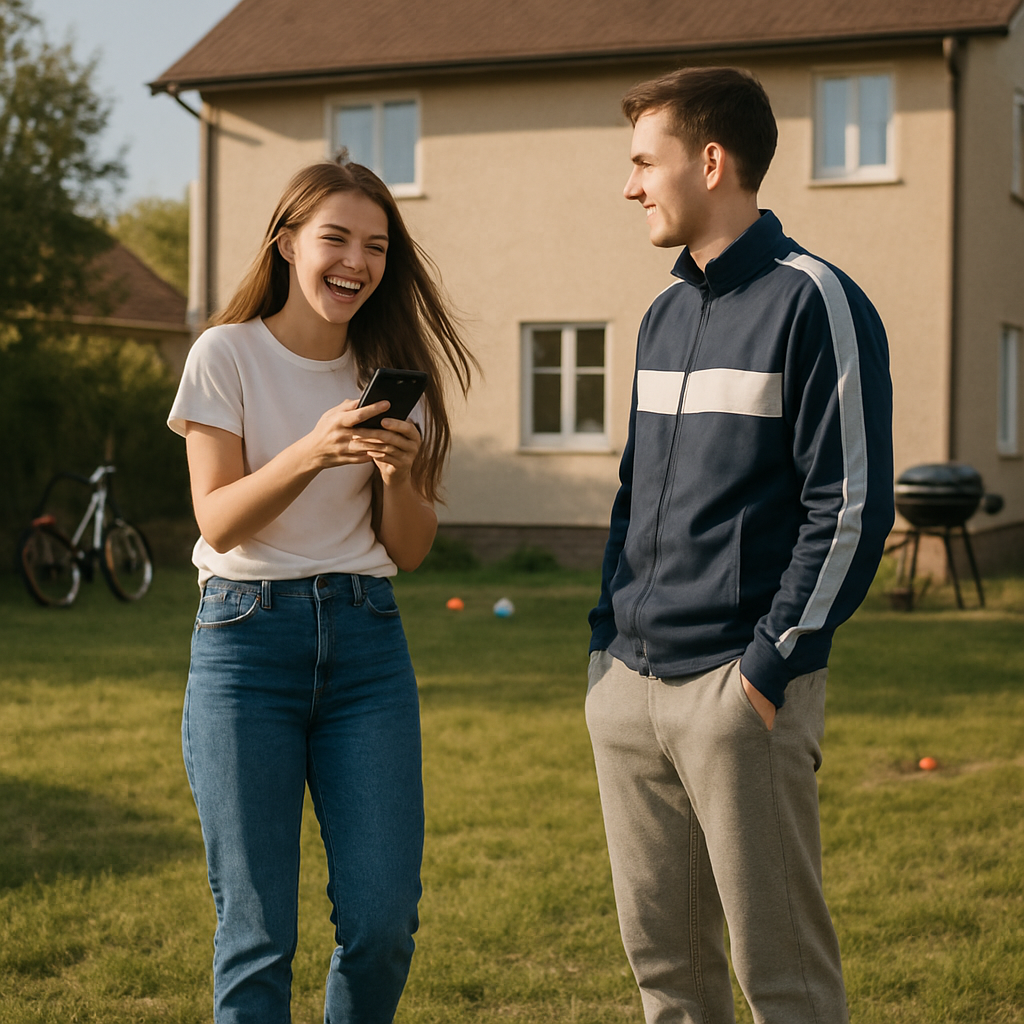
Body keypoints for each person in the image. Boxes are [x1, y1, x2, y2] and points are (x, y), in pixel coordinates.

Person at [586, 67, 894, 1024]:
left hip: (739, 694)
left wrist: (766, 670)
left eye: (645, 161)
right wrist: (605, 648)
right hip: (629, 690)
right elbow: (637, 497)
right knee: (668, 983)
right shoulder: (664, 313)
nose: (631, 185)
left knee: (785, 983)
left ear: (710, 161)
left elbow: (849, 509)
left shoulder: (817, 302)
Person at [167, 158, 474, 1024]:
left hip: (366, 645)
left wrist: (401, 475)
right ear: (287, 242)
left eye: (376, 246)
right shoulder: (224, 354)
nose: (357, 261)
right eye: (336, 237)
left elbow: (409, 550)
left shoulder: (388, 375)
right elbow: (219, 519)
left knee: (382, 925)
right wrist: (314, 449)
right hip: (244, 645)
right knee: (256, 935)